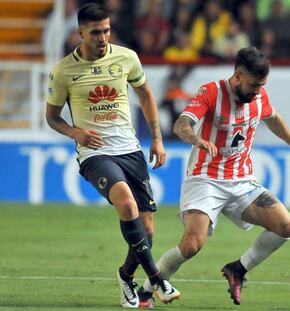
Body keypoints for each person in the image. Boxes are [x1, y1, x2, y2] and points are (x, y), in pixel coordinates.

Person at [137, 47, 290, 306]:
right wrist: (197, 139)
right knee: (192, 245)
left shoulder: (259, 96)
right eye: (253, 84)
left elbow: (272, 118)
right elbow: (181, 124)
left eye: (262, 85)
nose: (257, 91)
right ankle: (146, 290)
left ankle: (238, 269)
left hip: (241, 181)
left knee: (285, 226)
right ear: (237, 76)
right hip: (205, 178)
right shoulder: (211, 92)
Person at [45, 3, 180, 308]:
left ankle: (126, 278)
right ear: (80, 32)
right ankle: (158, 279)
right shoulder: (64, 71)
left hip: (130, 149)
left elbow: (145, 94)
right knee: (126, 202)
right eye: (95, 32)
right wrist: (74, 133)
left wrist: (157, 139)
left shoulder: (127, 57)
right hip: (95, 154)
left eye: (106, 29)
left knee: (146, 230)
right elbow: (52, 117)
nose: (103, 37)